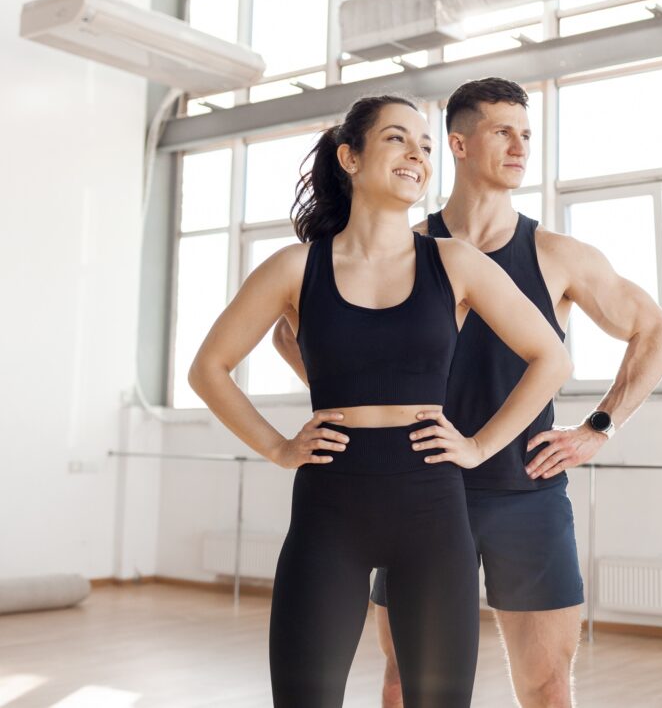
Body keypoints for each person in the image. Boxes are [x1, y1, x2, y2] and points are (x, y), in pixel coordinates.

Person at [274, 78, 662, 708]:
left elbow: (657, 332)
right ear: (457, 145)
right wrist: (366, 410)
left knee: (548, 685)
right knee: (404, 682)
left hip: (526, 494)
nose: (520, 146)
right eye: (503, 132)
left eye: (527, 134)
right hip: (419, 491)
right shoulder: (403, 249)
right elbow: (292, 331)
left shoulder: (557, 255)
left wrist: (598, 426)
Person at [188, 94, 572, 708]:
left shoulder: (455, 262)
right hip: (328, 514)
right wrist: (278, 447)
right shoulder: (296, 267)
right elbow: (208, 368)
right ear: (350, 156)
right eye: (398, 138)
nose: (418, 153)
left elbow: (551, 358)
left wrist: (477, 446)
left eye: (425, 144)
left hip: (432, 513)